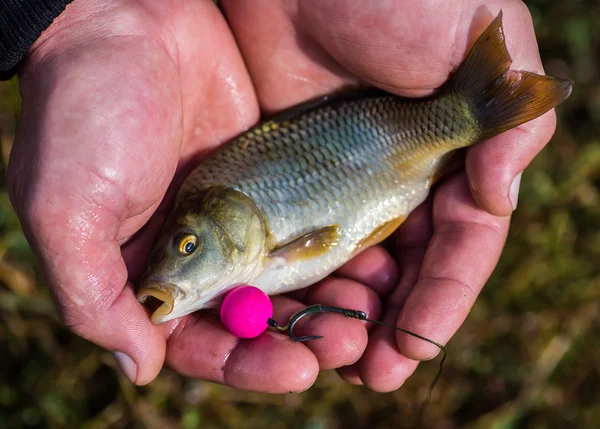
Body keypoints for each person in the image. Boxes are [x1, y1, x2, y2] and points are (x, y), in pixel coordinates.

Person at [3, 0, 558, 392]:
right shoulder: (219, 218)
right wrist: (80, 17)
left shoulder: (246, 231)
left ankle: (475, 109)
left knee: (468, 121)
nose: (175, 264)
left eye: (188, 245)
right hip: (378, 146)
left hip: (389, 140)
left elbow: (325, 241)